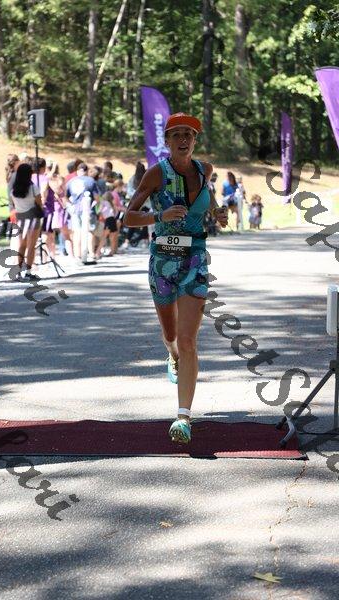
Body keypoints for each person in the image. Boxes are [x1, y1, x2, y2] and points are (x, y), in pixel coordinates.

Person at [123, 113, 228, 444]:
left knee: (189, 340)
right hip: (163, 263)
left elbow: (206, 200)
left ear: (195, 140)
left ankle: (183, 417)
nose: (183, 139)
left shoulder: (204, 170)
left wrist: (217, 213)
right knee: (171, 336)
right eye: (177, 134)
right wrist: (160, 215)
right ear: (167, 140)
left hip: (195, 260)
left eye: (189, 134)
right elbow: (127, 218)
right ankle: (171, 355)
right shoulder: (157, 173)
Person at [10, 163, 43, 280]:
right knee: (31, 246)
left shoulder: (13, 190)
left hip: (20, 218)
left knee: (22, 245)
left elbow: (14, 204)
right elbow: (39, 203)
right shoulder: (33, 188)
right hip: (33, 217)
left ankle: (18, 271)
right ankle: (28, 272)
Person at [66, 163, 99, 260]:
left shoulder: (71, 181)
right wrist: (93, 205)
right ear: (86, 171)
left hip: (75, 209)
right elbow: (97, 197)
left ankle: (78, 254)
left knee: (77, 232)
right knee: (90, 231)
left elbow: (65, 196)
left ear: (77, 171)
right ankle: (91, 253)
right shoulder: (91, 181)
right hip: (89, 209)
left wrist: (71, 205)